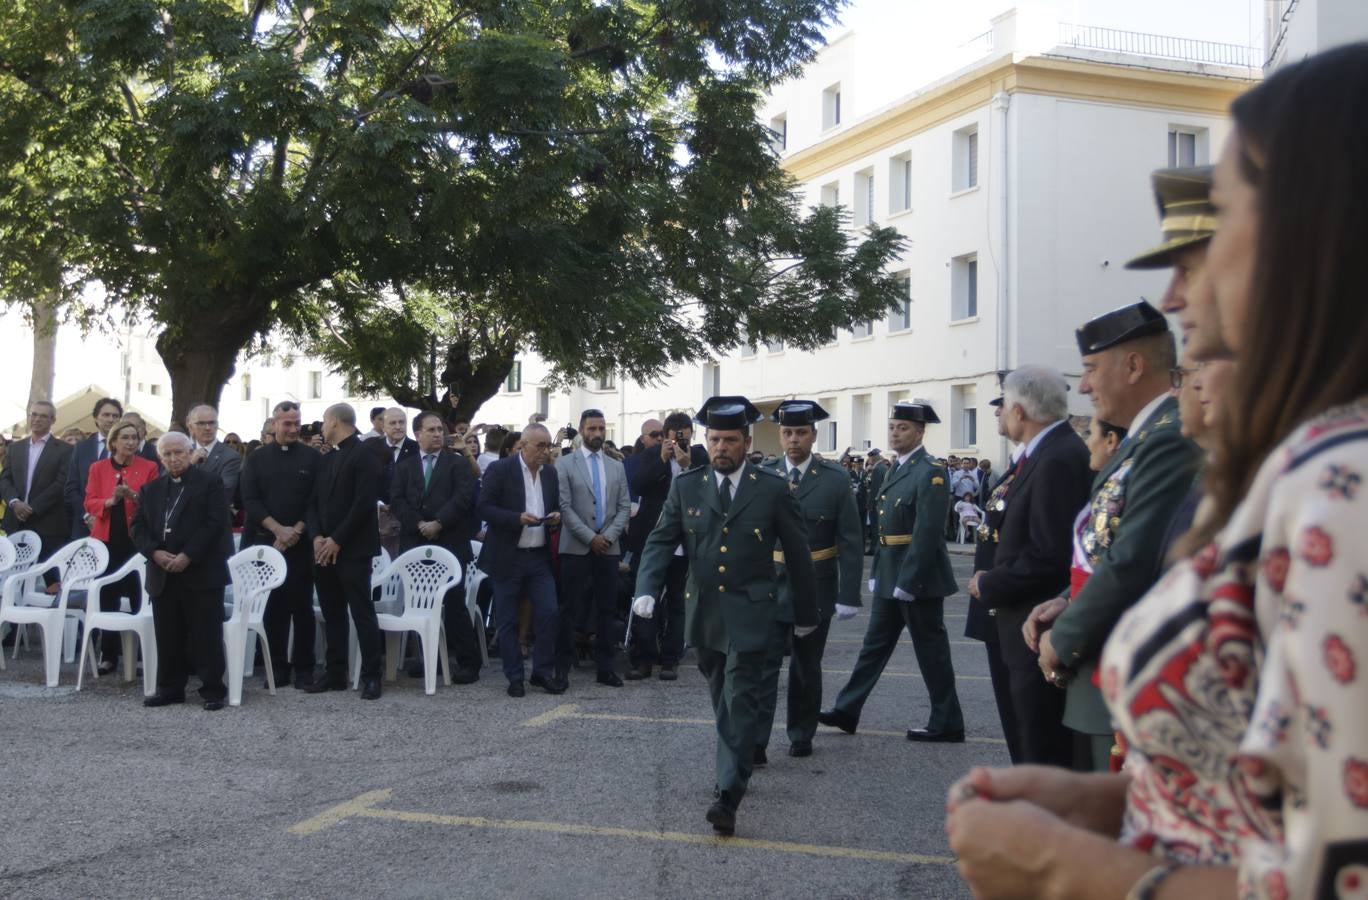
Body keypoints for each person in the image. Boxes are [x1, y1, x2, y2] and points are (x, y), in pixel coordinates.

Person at [947, 44, 1368, 900]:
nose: (1179, 296)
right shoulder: (1313, 462)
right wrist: (1107, 802)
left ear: (1308, 231)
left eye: (1210, 238)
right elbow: (1277, 797)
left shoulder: (1340, 486)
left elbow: (1336, 878)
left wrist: (1060, 864)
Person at [1023, 302, 1202, 771]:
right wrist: (1066, 598)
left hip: (1122, 663)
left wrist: (1067, 636)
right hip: (1102, 659)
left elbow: (1135, 558)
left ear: (1134, 366)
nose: (1082, 385)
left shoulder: (1167, 438)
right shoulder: (1146, 438)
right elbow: (1108, 544)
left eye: (1089, 370)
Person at [632, 396, 817, 836]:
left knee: (737, 699)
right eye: (714, 439)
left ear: (746, 442)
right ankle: (736, 760)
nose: (720, 448)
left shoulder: (770, 488)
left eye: (729, 440)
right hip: (706, 615)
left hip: (753, 614)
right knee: (722, 699)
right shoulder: (687, 486)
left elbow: (798, 554)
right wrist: (646, 589)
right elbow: (660, 541)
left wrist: (806, 613)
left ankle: (728, 794)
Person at [966, 367, 1092, 767]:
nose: (1000, 413)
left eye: (1002, 405)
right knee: (1026, 744)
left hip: (1034, 623)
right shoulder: (1040, 454)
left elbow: (1048, 553)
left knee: (1041, 751)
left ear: (1018, 410)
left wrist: (991, 584)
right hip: (1016, 622)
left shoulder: (1057, 458)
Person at [820, 401, 964, 743]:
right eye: (892, 427)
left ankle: (947, 721)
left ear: (920, 432)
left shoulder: (930, 470)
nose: (895, 433)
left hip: (919, 579)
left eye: (903, 428)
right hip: (891, 573)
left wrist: (910, 579)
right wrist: (881, 569)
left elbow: (928, 532)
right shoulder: (891, 469)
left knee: (932, 652)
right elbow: (886, 524)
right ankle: (847, 709)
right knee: (873, 646)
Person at [756, 400, 863, 759]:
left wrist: (849, 593)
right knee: (763, 665)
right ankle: (756, 740)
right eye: (787, 432)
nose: (793, 440)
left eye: (801, 432)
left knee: (806, 665)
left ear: (814, 435)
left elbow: (850, 539)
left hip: (815, 585)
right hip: (769, 584)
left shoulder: (835, 480)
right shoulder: (764, 475)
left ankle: (801, 733)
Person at [132, 432, 231, 710]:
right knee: (168, 634)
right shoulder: (151, 489)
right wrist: (155, 552)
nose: (174, 459)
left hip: (200, 571)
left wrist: (188, 555)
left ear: (190, 453)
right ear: (160, 457)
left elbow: (215, 524)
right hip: (163, 572)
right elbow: (137, 527)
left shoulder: (210, 483)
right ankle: (170, 688)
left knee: (206, 634)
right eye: (167, 454)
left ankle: (212, 689)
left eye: (179, 453)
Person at [390, 410, 481, 684]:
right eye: (431, 430)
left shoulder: (456, 464)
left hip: (450, 542)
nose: (437, 434)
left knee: (453, 604)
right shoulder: (405, 465)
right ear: (417, 434)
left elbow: (463, 498)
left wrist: (439, 523)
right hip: (416, 543)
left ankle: (468, 662)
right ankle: (428, 657)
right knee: (421, 604)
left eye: (440, 430)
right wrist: (419, 523)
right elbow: (397, 499)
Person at [239, 401, 322, 689]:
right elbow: (250, 500)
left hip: (299, 543)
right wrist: (277, 529)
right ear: (274, 424)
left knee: (302, 608)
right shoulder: (256, 459)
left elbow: (315, 500)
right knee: (273, 608)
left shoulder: (312, 458)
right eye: (286, 423)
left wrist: (295, 531)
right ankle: (277, 669)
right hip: (267, 543)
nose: (292, 428)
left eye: (296, 423)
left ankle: (304, 669)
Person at [304, 403, 385, 700]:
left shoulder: (365, 454)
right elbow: (312, 502)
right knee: (332, 611)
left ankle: (372, 676)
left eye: (324, 422)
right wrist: (316, 537)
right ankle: (336, 672)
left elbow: (363, 504)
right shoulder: (327, 457)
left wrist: (336, 540)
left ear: (335, 421)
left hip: (352, 549)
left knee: (361, 612)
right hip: (323, 549)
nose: (322, 428)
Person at [477, 422, 563, 697]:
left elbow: (554, 504)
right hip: (508, 555)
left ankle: (541, 672)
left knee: (549, 612)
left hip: (538, 556)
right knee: (507, 619)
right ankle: (514, 676)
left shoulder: (550, 473)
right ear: (523, 445)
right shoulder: (501, 470)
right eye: (540, 446)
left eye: (548, 445)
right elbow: (485, 507)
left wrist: (555, 517)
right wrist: (516, 519)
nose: (545, 451)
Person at [626, 412, 707, 680]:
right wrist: (663, 460)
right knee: (645, 598)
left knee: (677, 602)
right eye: (674, 435)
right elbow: (637, 485)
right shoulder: (651, 455)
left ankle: (671, 659)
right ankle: (643, 659)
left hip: (684, 543)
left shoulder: (699, 457)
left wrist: (687, 466)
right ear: (666, 435)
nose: (679, 439)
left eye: (685, 434)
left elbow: (708, 489)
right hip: (652, 541)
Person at [555, 409, 631, 687]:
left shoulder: (616, 466)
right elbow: (564, 506)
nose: (597, 434)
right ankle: (561, 668)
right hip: (576, 545)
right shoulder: (565, 464)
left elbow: (624, 506)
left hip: (608, 548)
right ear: (582, 429)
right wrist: (590, 537)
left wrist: (607, 537)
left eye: (601, 429)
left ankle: (606, 667)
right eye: (592, 429)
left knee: (607, 609)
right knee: (569, 608)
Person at [82, 415, 160, 674]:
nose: (130, 442)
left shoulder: (148, 466)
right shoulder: (98, 468)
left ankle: (139, 656)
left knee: (139, 594)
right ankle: (109, 654)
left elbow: (153, 504)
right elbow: (89, 502)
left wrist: (134, 496)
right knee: (107, 595)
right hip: (106, 541)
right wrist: (109, 500)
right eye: (124, 437)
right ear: (113, 441)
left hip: (135, 542)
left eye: (134, 438)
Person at [1, 400, 74, 564]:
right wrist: (14, 502)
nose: (37, 419)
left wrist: (32, 508)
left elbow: (61, 483)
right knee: (12, 576)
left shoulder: (65, 450)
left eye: (43, 416)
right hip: (15, 522)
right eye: (33, 414)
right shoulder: (15, 448)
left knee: (49, 580)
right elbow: (5, 479)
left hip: (48, 524)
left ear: (53, 420)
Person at [65, 396, 123, 538]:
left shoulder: (128, 449)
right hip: (83, 525)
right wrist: (86, 516)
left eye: (115, 416)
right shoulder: (81, 448)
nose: (110, 419)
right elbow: (71, 488)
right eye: (106, 415)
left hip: (116, 525)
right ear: (96, 418)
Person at [374, 407, 418, 559]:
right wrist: (378, 503)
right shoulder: (372, 448)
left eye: (402, 422)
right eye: (393, 423)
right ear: (383, 426)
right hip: (378, 515)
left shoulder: (417, 448)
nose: (398, 426)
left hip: (407, 517)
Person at [185, 404, 240, 516]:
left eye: (212, 423)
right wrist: (190, 464)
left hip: (213, 521)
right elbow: (167, 485)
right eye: (201, 423)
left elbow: (224, 492)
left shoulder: (230, 456)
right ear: (190, 427)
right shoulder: (182, 452)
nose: (207, 428)